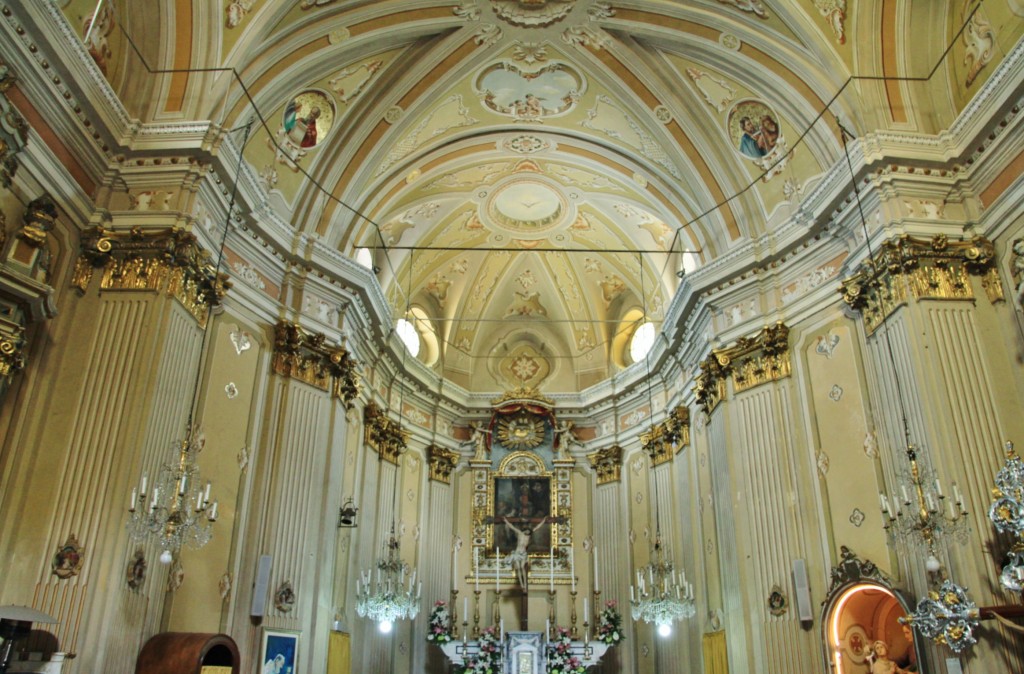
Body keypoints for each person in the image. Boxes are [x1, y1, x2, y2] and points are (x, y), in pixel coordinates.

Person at [503, 516, 546, 587]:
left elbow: (538, 527)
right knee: (519, 568)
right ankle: (521, 584)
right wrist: (505, 521)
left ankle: (525, 583)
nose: (528, 532)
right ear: (525, 530)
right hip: (517, 553)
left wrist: (543, 520)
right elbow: (512, 527)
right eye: (527, 531)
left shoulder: (528, 536)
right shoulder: (520, 533)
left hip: (523, 554)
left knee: (522, 567)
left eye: (529, 532)